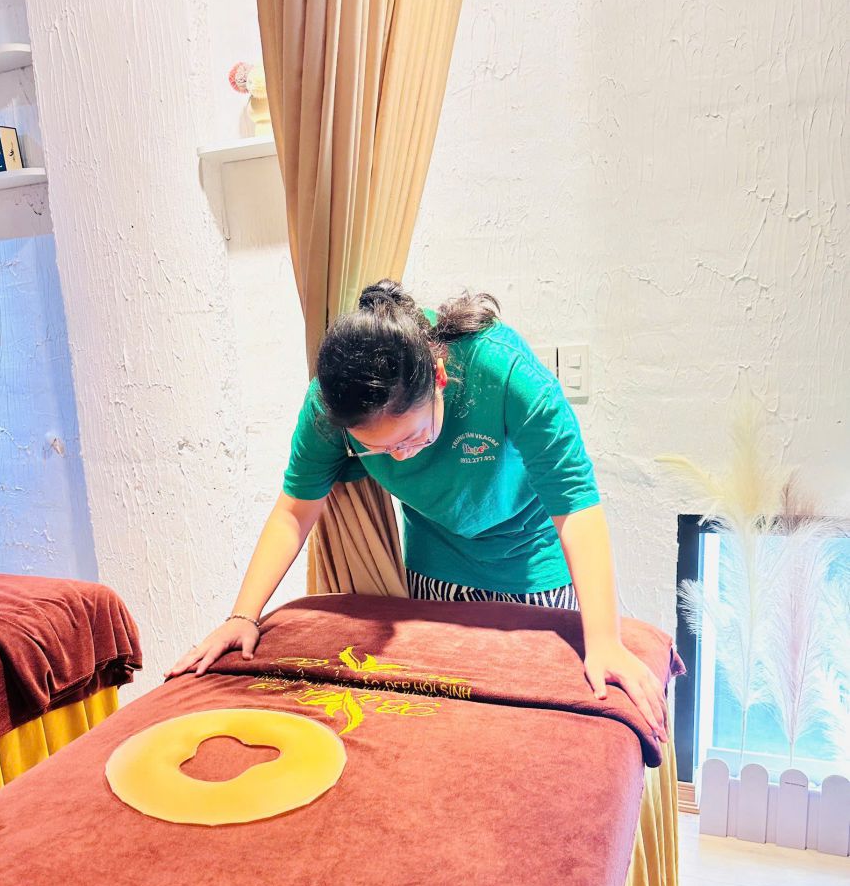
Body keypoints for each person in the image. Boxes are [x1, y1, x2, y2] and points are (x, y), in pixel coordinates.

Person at [168, 279, 667, 737]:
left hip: (534, 568)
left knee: (529, 731)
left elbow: (576, 506)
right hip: (435, 570)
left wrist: (605, 641)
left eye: (413, 437)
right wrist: (243, 616)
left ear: (440, 377)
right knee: (445, 727)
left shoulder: (504, 370)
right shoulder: (329, 406)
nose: (402, 456)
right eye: (380, 450)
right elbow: (294, 511)